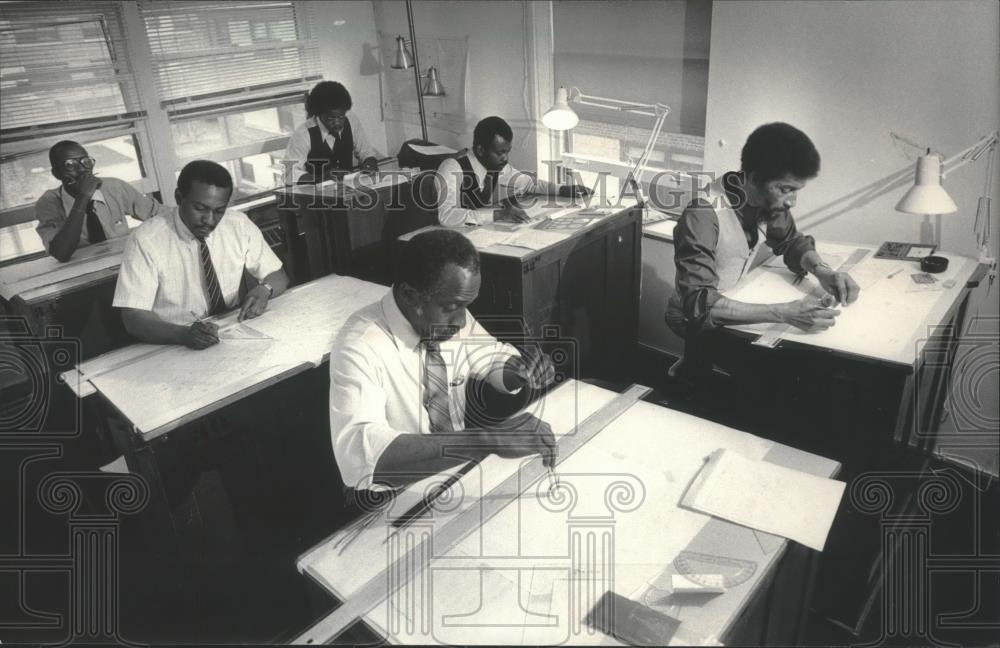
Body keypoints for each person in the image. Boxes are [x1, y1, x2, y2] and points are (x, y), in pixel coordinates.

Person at [329, 229, 557, 493]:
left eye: (466, 306)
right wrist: (485, 439)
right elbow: (358, 454)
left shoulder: (446, 313)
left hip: (453, 473)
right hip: (395, 495)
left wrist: (519, 371)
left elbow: (490, 356)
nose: (461, 322)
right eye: (451, 308)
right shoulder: (359, 344)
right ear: (409, 295)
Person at [667, 122, 860, 381]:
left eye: (795, 190)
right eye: (786, 189)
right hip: (693, 316)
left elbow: (790, 241)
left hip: (732, 299)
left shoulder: (767, 200)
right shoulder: (702, 214)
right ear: (755, 178)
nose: (792, 201)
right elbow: (698, 306)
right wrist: (786, 312)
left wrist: (823, 271)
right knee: (771, 374)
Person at [113, 160, 289, 349]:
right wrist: (182, 334)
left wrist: (265, 289)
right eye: (200, 208)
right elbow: (133, 317)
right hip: (173, 341)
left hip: (230, 333)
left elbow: (278, 275)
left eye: (219, 211)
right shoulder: (146, 240)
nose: (209, 220)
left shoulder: (238, 224)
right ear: (179, 197)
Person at [436, 116, 591, 226]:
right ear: (481, 150)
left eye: (507, 152)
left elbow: (530, 185)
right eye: (499, 153)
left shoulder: (496, 166)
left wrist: (563, 189)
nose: (505, 158)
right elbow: (447, 216)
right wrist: (498, 215)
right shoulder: (452, 168)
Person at [35, 140, 169, 262]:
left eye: (86, 162)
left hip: (125, 262)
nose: (82, 169)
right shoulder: (48, 203)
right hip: (82, 272)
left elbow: (162, 215)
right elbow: (61, 253)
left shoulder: (114, 187)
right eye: (70, 164)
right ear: (56, 174)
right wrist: (82, 198)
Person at [285, 80, 379, 184]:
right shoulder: (303, 134)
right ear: (319, 113)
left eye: (341, 117)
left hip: (347, 192)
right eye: (331, 118)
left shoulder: (351, 120)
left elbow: (366, 152)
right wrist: (321, 177)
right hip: (315, 196)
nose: (337, 123)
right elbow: (289, 174)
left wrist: (369, 163)